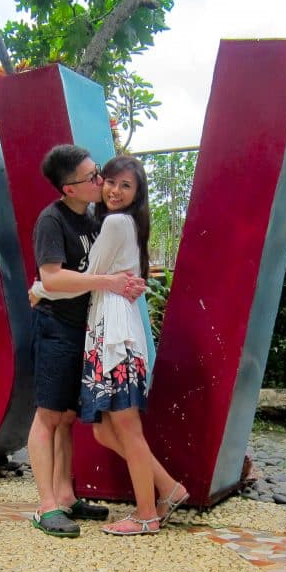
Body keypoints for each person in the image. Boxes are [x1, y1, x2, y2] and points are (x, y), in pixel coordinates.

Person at [31, 155, 188, 536]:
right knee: (89, 425)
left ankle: (150, 510)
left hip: (111, 336)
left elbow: (89, 275)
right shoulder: (64, 219)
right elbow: (73, 277)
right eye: (102, 179)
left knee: (119, 425)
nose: (108, 186)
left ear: (137, 193)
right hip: (94, 333)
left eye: (123, 184)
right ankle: (53, 503)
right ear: (72, 187)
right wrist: (45, 285)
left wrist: (40, 288)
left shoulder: (110, 221)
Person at [28, 144, 146, 538]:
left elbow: (110, 267)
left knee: (66, 418)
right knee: (47, 416)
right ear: (69, 189)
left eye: (101, 174)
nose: (101, 182)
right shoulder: (52, 220)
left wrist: (130, 281)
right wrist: (106, 282)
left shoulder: (96, 218)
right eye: (94, 177)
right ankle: (46, 506)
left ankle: (65, 495)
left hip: (86, 328)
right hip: (56, 328)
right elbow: (53, 278)